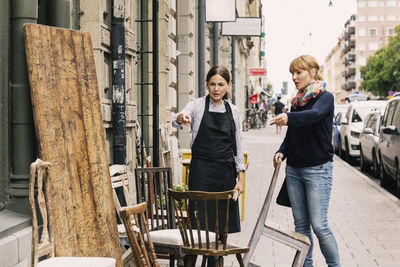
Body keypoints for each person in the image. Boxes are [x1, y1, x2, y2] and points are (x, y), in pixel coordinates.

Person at [270, 55, 341, 267]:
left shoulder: (325, 98)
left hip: (318, 170)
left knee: (319, 225)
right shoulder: (297, 101)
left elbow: (314, 115)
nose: (294, 77)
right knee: (300, 225)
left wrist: (290, 118)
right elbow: (293, 135)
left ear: (312, 72)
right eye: (292, 73)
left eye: (298, 72)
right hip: (294, 170)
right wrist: (281, 151)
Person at [172, 65, 245, 267]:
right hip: (201, 173)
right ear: (206, 84)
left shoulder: (235, 111)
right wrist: (181, 118)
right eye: (212, 84)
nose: (216, 89)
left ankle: (214, 263)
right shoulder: (196, 106)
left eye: (221, 84)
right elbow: (179, 117)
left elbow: (238, 145)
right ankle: (190, 262)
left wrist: (240, 178)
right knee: (199, 226)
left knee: (220, 228)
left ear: (228, 85)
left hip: (225, 175)